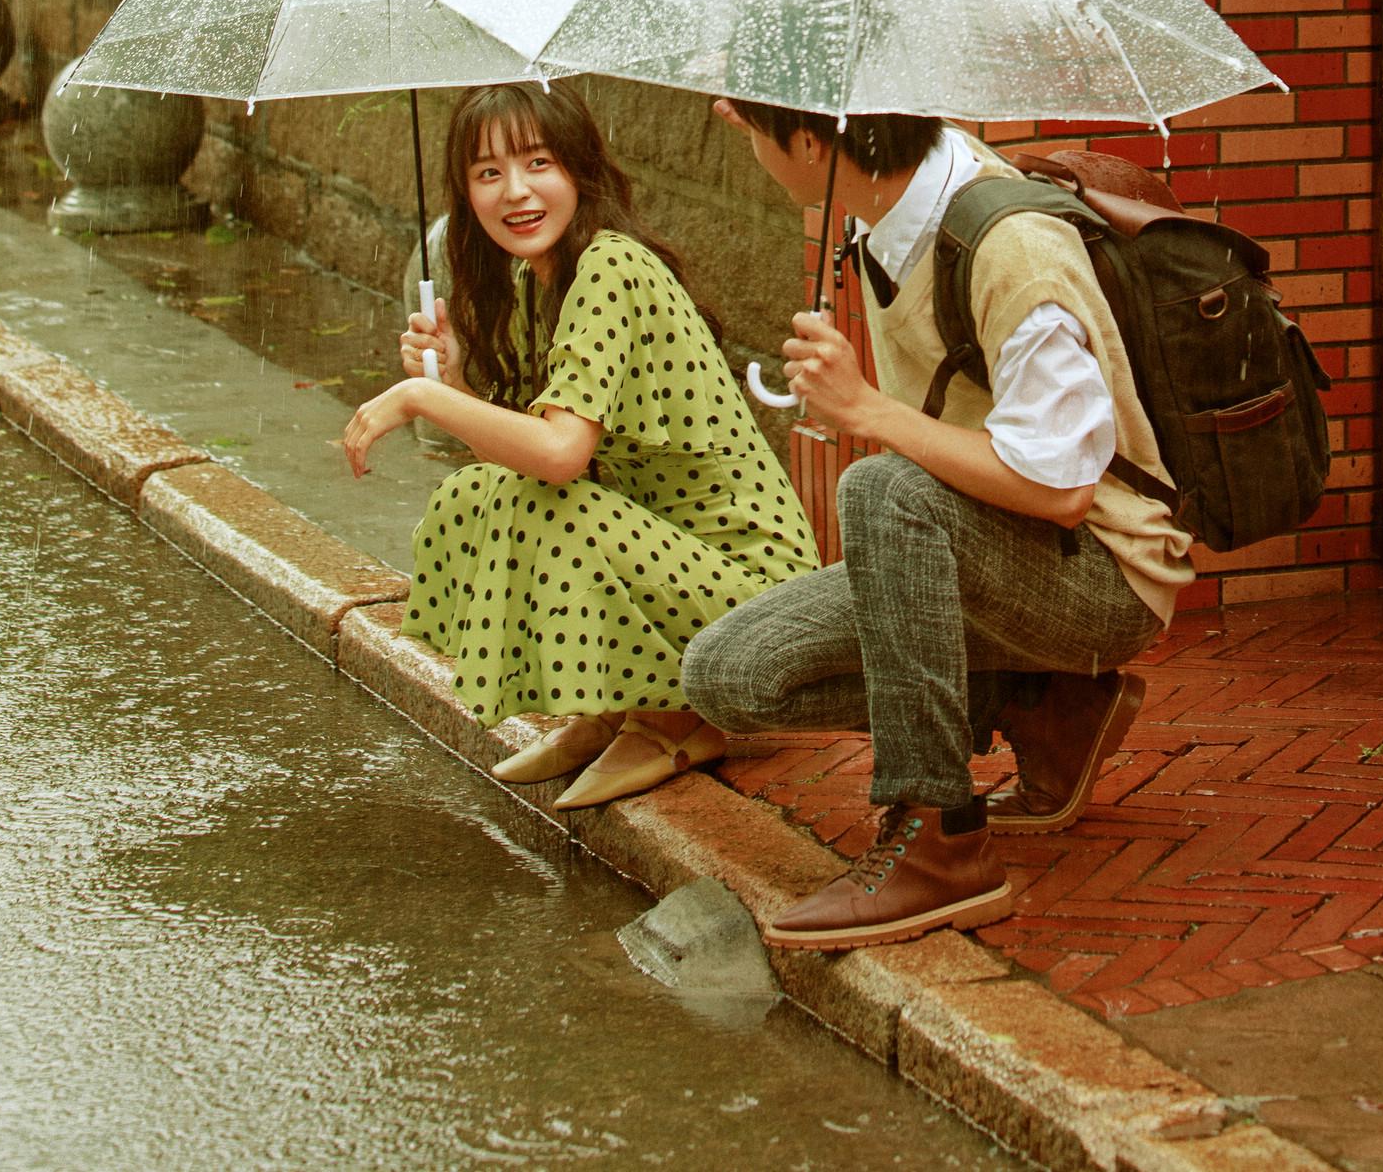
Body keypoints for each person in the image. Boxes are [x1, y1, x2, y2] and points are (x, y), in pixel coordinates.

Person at [682, 103, 1194, 948]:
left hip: (1103, 569)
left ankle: (939, 833)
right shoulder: (887, 212)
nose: (738, 136)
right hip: (985, 550)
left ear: (811, 143)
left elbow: (1063, 487)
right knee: (730, 677)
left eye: (750, 131)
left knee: (883, 491)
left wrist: (868, 410)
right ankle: (1043, 706)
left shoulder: (1010, 249)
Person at [341, 81, 818, 809]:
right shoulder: (541, 283)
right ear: (464, 193)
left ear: (578, 169)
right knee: (483, 492)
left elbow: (561, 456)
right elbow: (543, 453)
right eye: (488, 173)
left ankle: (673, 718)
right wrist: (459, 381)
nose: (516, 191)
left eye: (538, 162)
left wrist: (421, 396)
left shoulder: (611, 267)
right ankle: (611, 709)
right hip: (671, 560)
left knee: (543, 504)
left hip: (754, 601)